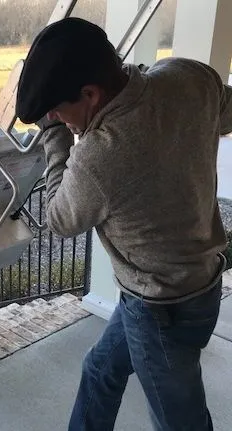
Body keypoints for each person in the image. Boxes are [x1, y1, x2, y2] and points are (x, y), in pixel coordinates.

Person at [16, 17, 232, 431]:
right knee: (100, 372)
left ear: (90, 93)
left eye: (59, 112)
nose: (60, 120)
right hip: (195, 288)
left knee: (181, 422)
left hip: (159, 311)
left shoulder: (98, 157)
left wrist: (54, 139)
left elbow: (60, 219)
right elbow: (223, 110)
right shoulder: (189, 77)